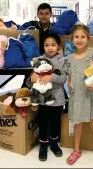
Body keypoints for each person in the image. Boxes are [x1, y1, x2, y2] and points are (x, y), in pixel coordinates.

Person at [65, 24, 93, 168]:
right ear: (72, 39)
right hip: (76, 97)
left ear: (88, 38)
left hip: (90, 96)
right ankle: (76, 150)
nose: (79, 40)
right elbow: (69, 75)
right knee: (77, 125)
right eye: (76, 37)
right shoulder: (69, 58)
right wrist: (70, 83)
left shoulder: (92, 54)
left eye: (83, 37)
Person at [26, 33, 66, 161]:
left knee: (55, 121)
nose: (50, 48)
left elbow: (63, 78)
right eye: (47, 45)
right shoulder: (38, 60)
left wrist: (51, 77)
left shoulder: (62, 60)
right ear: (43, 46)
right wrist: (31, 78)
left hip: (57, 98)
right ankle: (43, 145)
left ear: (58, 46)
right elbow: (30, 79)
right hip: (42, 98)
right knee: (42, 121)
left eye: (53, 45)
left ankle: (54, 144)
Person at [21, 3, 55, 88]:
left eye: (47, 13)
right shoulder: (31, 26)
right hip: (34, 61)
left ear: (51, 14)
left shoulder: (55, 28)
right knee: (27, 84)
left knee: (53, 85)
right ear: (37, 14)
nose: (44, 16)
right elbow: (19, 29)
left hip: (50, 62)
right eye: (41, 13)